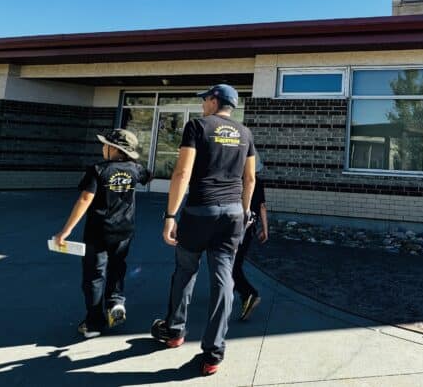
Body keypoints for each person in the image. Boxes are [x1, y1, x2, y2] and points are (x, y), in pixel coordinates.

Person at [151, 84, 256, 377]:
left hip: (199, 212)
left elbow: (182, 172)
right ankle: (213, 354)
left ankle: (174, 332)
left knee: (185, 270)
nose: (201, 106)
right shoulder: (245, 133)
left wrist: (171, 215)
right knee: (223, 279)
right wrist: (245, 212)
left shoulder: (197, 126)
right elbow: (250, 179)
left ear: (214, 101)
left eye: (204, 100)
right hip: (233, 213)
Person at [53, 128, 150, 339]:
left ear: (113, 149)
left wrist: (65, 231)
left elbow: (85, 200)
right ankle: (116, 302)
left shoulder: (97, 170)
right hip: (124, 230)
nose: (102, 147)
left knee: (94, 276)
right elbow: (146, 176)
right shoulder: (135, 169)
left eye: (105, 144)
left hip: (98, 232)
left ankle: (94, 322)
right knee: (117, 267)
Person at [232, 153, 269, 321]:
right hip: (250, 228)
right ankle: (228, 291)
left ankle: (248, 294)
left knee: (231, 266)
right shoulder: (259, 183)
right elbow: (262, 207)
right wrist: (265, 230)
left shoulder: (237, 181)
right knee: (235, 262)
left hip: (237, 227)